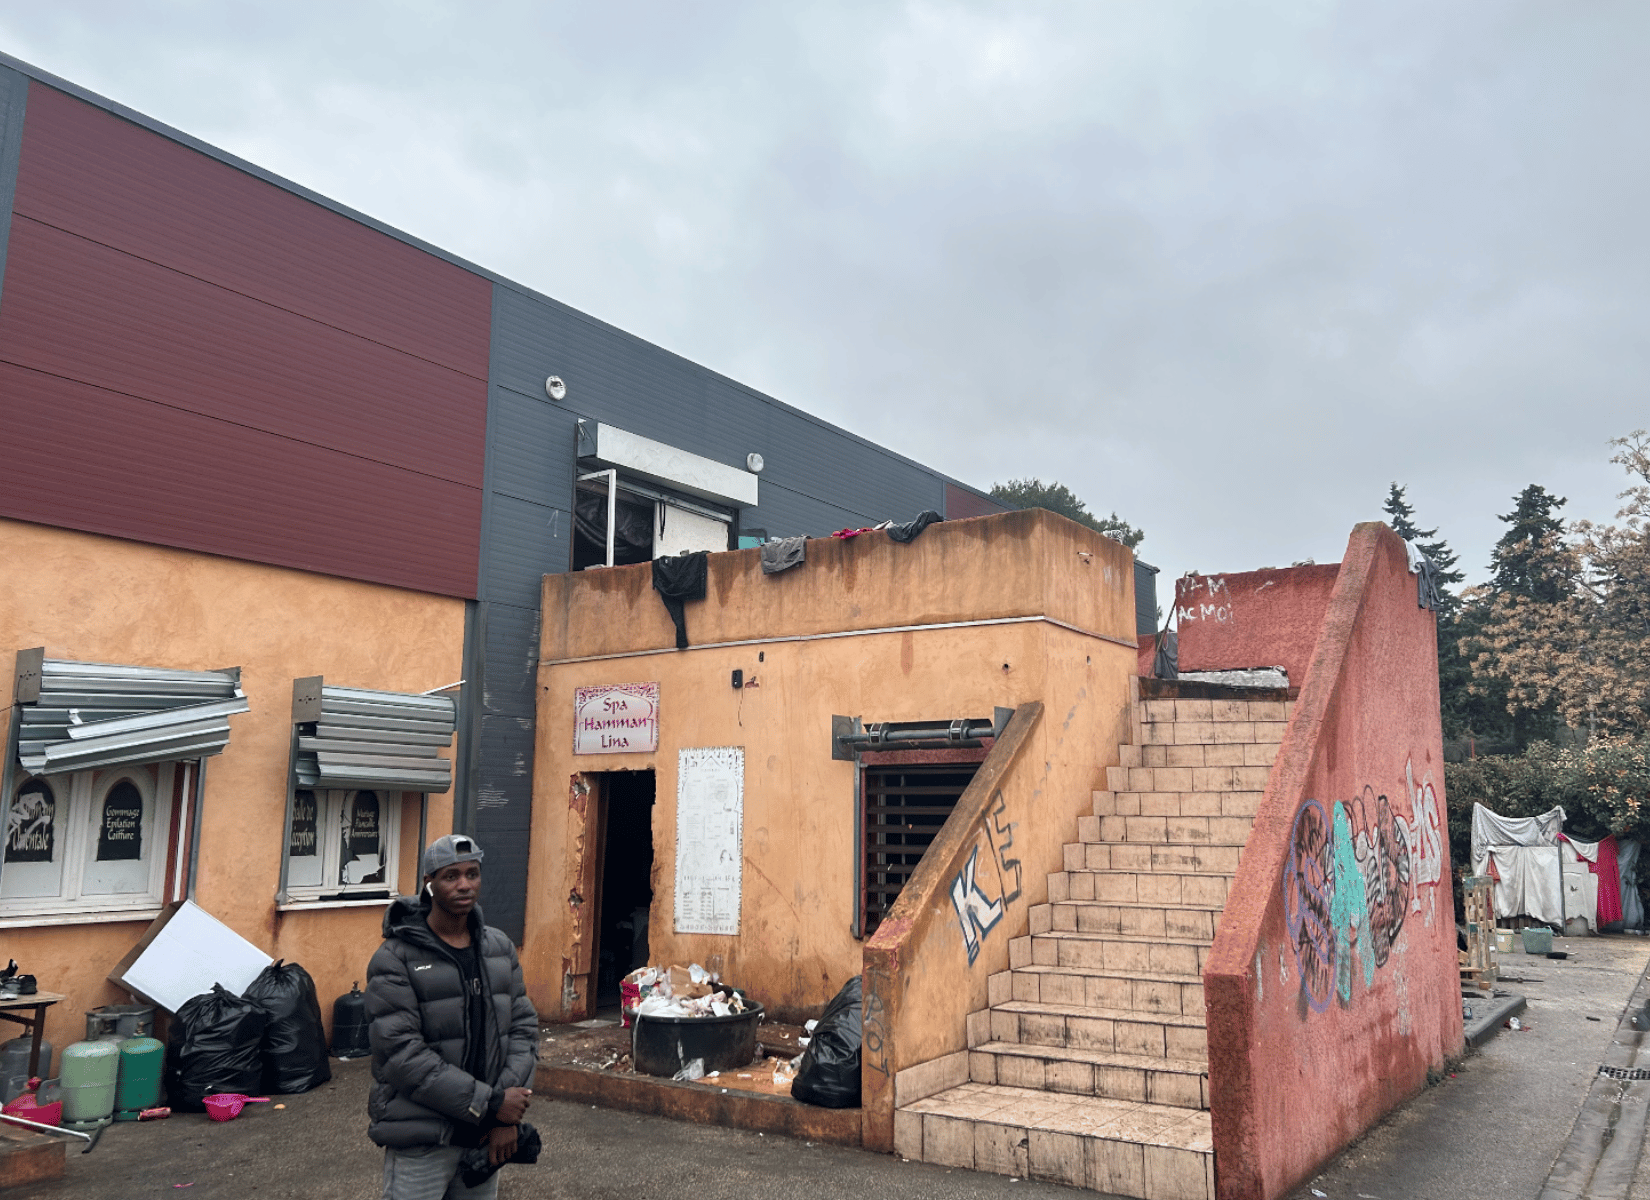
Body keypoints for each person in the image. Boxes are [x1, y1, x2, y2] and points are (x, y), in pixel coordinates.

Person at [365, 834, 539, 1199]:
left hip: (485, 1139)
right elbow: (401, 1056)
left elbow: (523, 1032)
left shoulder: (499, 948)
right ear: (429, 884)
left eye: (472, 874)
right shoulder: (395, 958)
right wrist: (491, 1104)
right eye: (451, 876)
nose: (464, 885)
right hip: (424, 1139)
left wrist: (501, 1115)